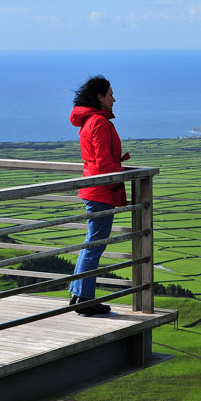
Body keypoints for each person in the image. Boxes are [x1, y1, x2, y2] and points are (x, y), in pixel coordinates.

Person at [68, 75, 129, 316]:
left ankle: (78, 294)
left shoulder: (89, 122)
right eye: (110, 94)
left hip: (92, 187)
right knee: (94, 245)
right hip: (101, 190)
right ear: (100, 97)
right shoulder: (99, 123)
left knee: (91, 243)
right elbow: (104, 163)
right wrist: (120, 172)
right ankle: (85, 299)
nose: (114, 98)